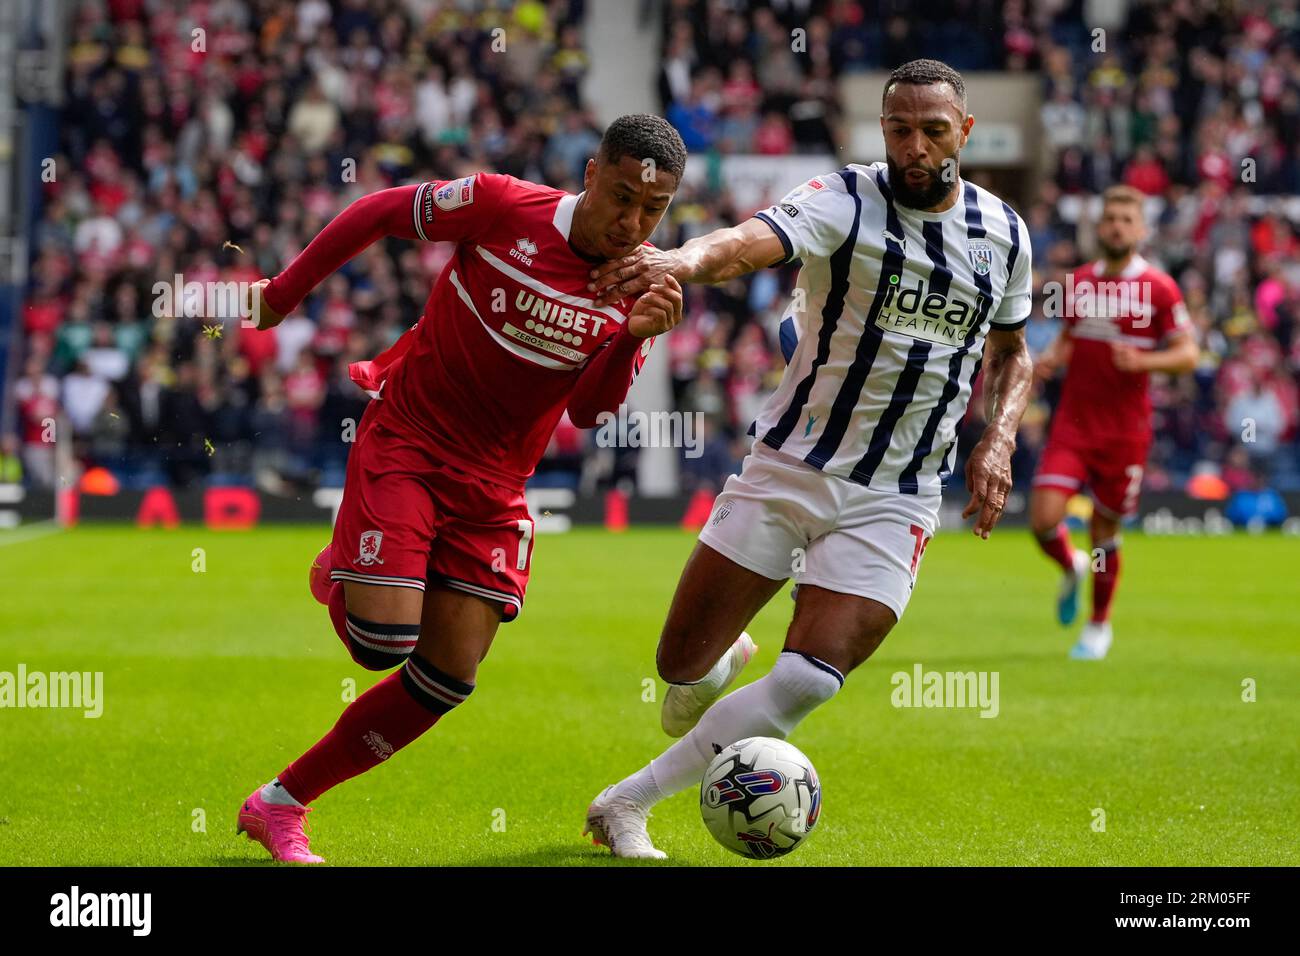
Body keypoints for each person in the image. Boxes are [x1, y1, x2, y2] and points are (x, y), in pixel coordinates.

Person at [580, 60, 1035, 858]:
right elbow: (749, 243)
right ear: (882, 129)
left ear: (964, 131)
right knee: (680, 668)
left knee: (806, 680)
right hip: (791, 466)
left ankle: (627, 803)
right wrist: (679, 261)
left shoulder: (1005, 233)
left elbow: (1013, 353)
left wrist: (996, 442)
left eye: (934, 130)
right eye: (900, 129)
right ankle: (717, 667)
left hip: (899, 494)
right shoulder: (845, 198)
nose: (916, 147)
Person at [236, 115, 688, 863]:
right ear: (590, 172)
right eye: (621, 197)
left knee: (447, 677)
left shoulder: (640, 283)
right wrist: (283, 294)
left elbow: (587, 411)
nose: (632, 222)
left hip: (495, 486)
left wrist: (637, 335)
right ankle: (348, 570)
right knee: (381, 643)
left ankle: (279, 803)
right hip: (410, 441)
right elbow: (379, 211)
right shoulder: (503, 205)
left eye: (653, 209)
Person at [1029, 185, 1196, 660]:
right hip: (1073, 424)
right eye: (1110, 219)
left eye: (1126, 219)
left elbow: (1188, 353)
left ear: (1141, 230)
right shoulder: (1079, 281)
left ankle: (1098, 625)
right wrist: (1050, 360)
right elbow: (1069, 337)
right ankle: (1070, 566)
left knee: (1105, 530)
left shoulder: (1160, 288)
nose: (1117, 226)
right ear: (1099, 227)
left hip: (1125, 433)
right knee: (1043, 519)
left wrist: (1144, 363)